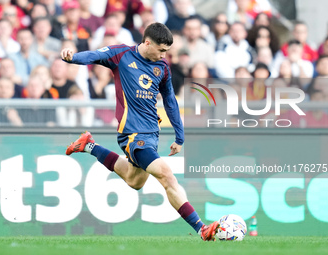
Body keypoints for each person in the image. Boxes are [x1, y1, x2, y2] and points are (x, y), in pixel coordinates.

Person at [61, 22, 219, 241]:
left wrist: (179, 136)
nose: (165, 55)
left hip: (151, 134)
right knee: (167, 176)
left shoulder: (162, 67)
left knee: (134, 181)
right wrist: (72, 58)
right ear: (147, 43)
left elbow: (170, 101)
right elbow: (94, 55)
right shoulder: (121, 54)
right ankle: (201, 228)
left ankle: (89, 145)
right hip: (132, 135)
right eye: (161, 50)